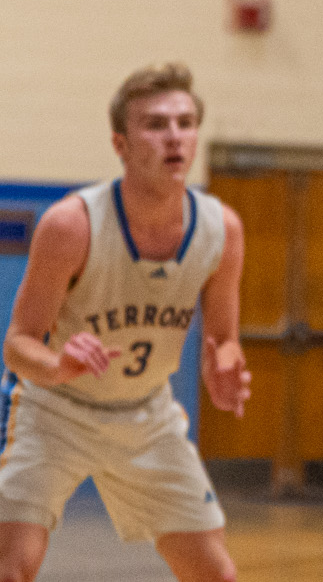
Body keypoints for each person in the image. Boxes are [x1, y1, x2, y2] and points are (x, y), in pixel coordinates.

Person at [0, 64, 249, 582]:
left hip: (146, 413)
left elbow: (224, 339)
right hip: (53, 410)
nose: (174, 136)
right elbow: (19, 344)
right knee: (11, 567)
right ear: (121, 143)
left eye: (185, 122)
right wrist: (60, 365)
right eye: (156, 124)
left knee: (216, 573)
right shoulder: (71, 224)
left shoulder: (221, 229)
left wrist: (225, 368)